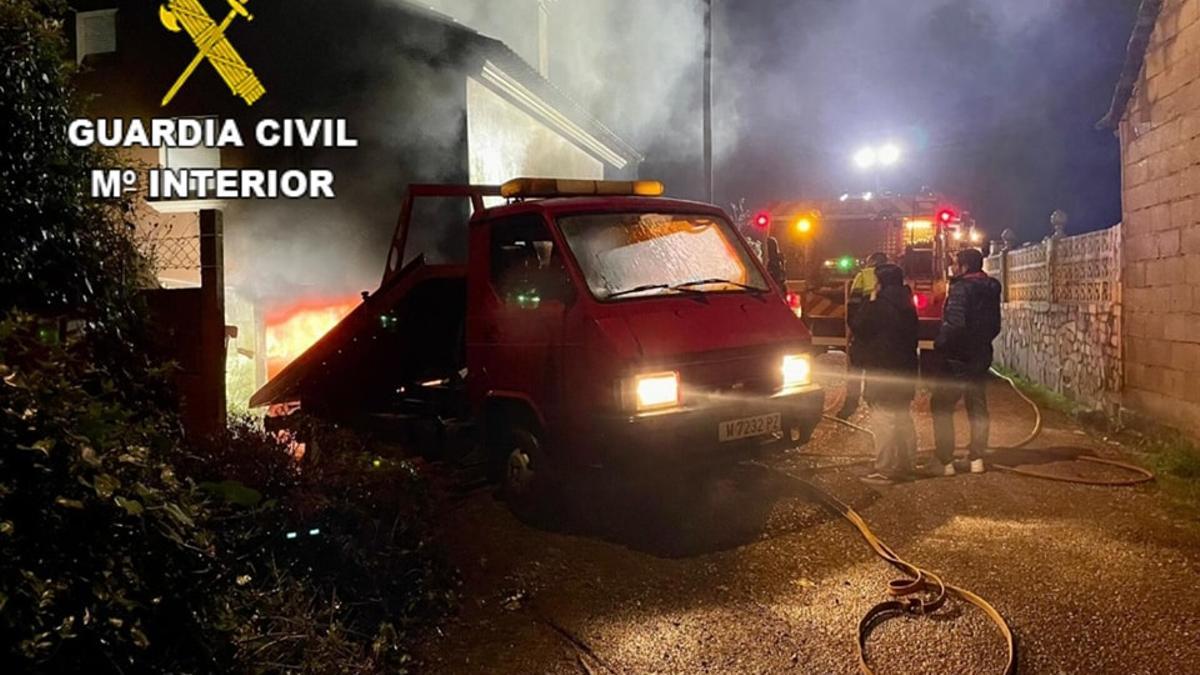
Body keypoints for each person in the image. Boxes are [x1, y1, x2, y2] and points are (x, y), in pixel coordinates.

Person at [928, 248, 1002, 476]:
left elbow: (955, 325)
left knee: (941, 405)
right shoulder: (991, 288)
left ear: (965, 266)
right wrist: (981, 344)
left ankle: (945, 461)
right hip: (980, 355)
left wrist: (940, 343)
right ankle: (977, 458)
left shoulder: (961, 289)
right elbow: (995, 325)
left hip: (957, 357)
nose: (953, 267)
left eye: (956, 264)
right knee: (977, 405)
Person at [849, 264, 919, 484]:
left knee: (884, 420)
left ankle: (886, 469)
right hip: (905, 369)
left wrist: (869, 300)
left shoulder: (877, 306)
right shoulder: (908, 305)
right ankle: (907, 465)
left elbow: (857, 326)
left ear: (881, 283)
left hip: (882, 372)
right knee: (903, 417)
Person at [838, 252, 889, 419]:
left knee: (855, 370)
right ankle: (873, 401)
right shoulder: (890, 277)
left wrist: (852, 329)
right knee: (874, 370)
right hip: (881, 334)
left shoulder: (862, 276)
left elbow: (852, 305)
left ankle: (850, 405)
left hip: (862, 333)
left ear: (871, 261)